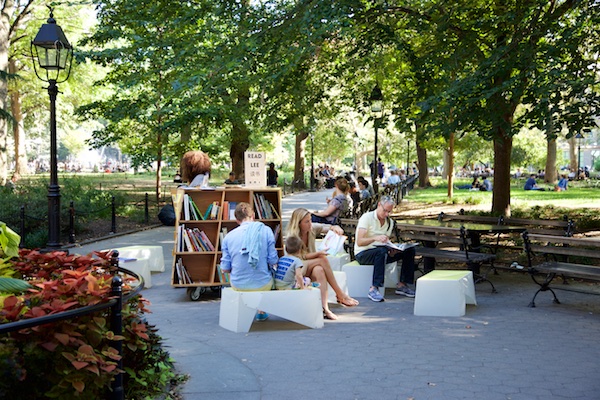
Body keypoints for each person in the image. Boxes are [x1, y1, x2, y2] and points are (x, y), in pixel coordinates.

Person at [287, 208, 360, 319]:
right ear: (299, 223)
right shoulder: (292, 236)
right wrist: (317, 254)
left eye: (310, 220)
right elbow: (298, 257)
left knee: (319, 270)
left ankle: (324, 308)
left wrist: (335, 227)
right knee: (322, 259)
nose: (310, 224)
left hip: (310, 264)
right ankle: (340, 294)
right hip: (297, 267)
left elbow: (325, 227)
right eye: (306, 222)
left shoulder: (311, 229)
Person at [220, 202, 278, 321]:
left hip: (238, 284)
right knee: (266, 272)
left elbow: (225, 268)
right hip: (263, 284)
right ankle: (261, 310)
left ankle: (243, 309)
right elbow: (273, 260)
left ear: (236, 219)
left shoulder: (228, 237)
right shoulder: (266, 230)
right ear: (253, 216)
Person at [354, 195, 416, 302]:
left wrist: (393, 251)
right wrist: (374, 238)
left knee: (409, 250)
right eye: (385, 211)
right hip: (363, 253)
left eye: (389, 212)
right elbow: (359, 242)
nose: (386, 214)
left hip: (382, 252)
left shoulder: (389, 222)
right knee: (381, 251)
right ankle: (374, 288)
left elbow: (385, 243)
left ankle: (402, 285)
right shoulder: (367, 218)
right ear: (379, 205)